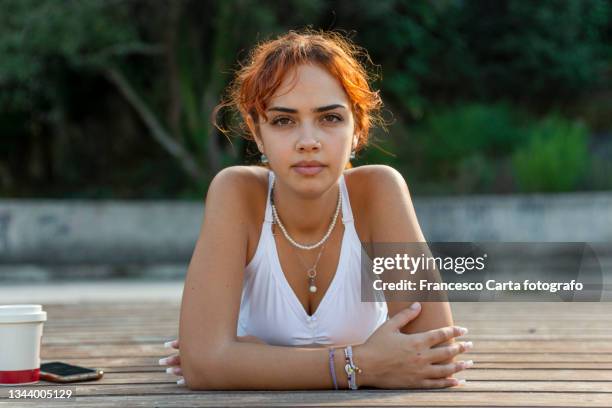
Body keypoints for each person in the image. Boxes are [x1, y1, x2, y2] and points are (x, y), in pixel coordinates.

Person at [158, 30, 473, 390]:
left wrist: (247, 358)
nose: (308, 142)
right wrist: (364, 363)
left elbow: (434, 353)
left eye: (330, 118)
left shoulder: (378, 193)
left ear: (357, 129)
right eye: (283, 121)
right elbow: (204, 366)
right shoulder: (237, 193)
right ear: (257, 133)